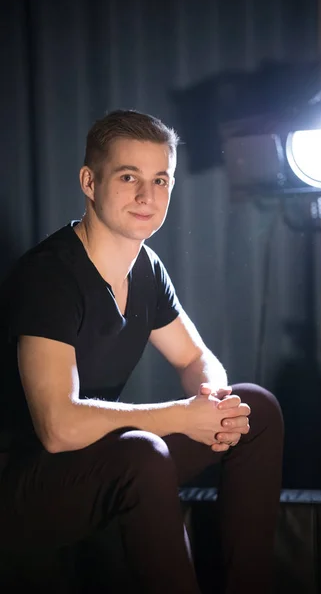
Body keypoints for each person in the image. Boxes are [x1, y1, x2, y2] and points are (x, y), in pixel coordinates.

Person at [0, 110, 284, 593]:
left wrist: (211, 403)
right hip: (24, 486)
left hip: (100, 461)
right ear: (89, 182)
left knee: (254, 408)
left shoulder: (147, 267)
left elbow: (195, 358)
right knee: (144, 452)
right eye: (129, 177)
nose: (147, 196)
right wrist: (181, 415)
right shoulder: (50, 277)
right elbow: (58, 427)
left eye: (160, 180)